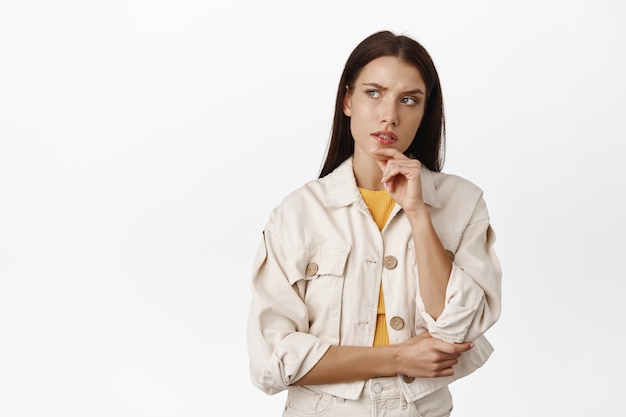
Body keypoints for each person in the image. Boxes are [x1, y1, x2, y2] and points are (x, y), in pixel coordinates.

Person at [247, 30, 502, 416]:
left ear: (425, 110)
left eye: (408, 100)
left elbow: (456, 332)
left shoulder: (463, 204)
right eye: (373, 93)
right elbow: (273, 360)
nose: (389, 115)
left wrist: (418, 214)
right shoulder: (297, 214)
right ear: (347, 100)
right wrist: (397, 358)